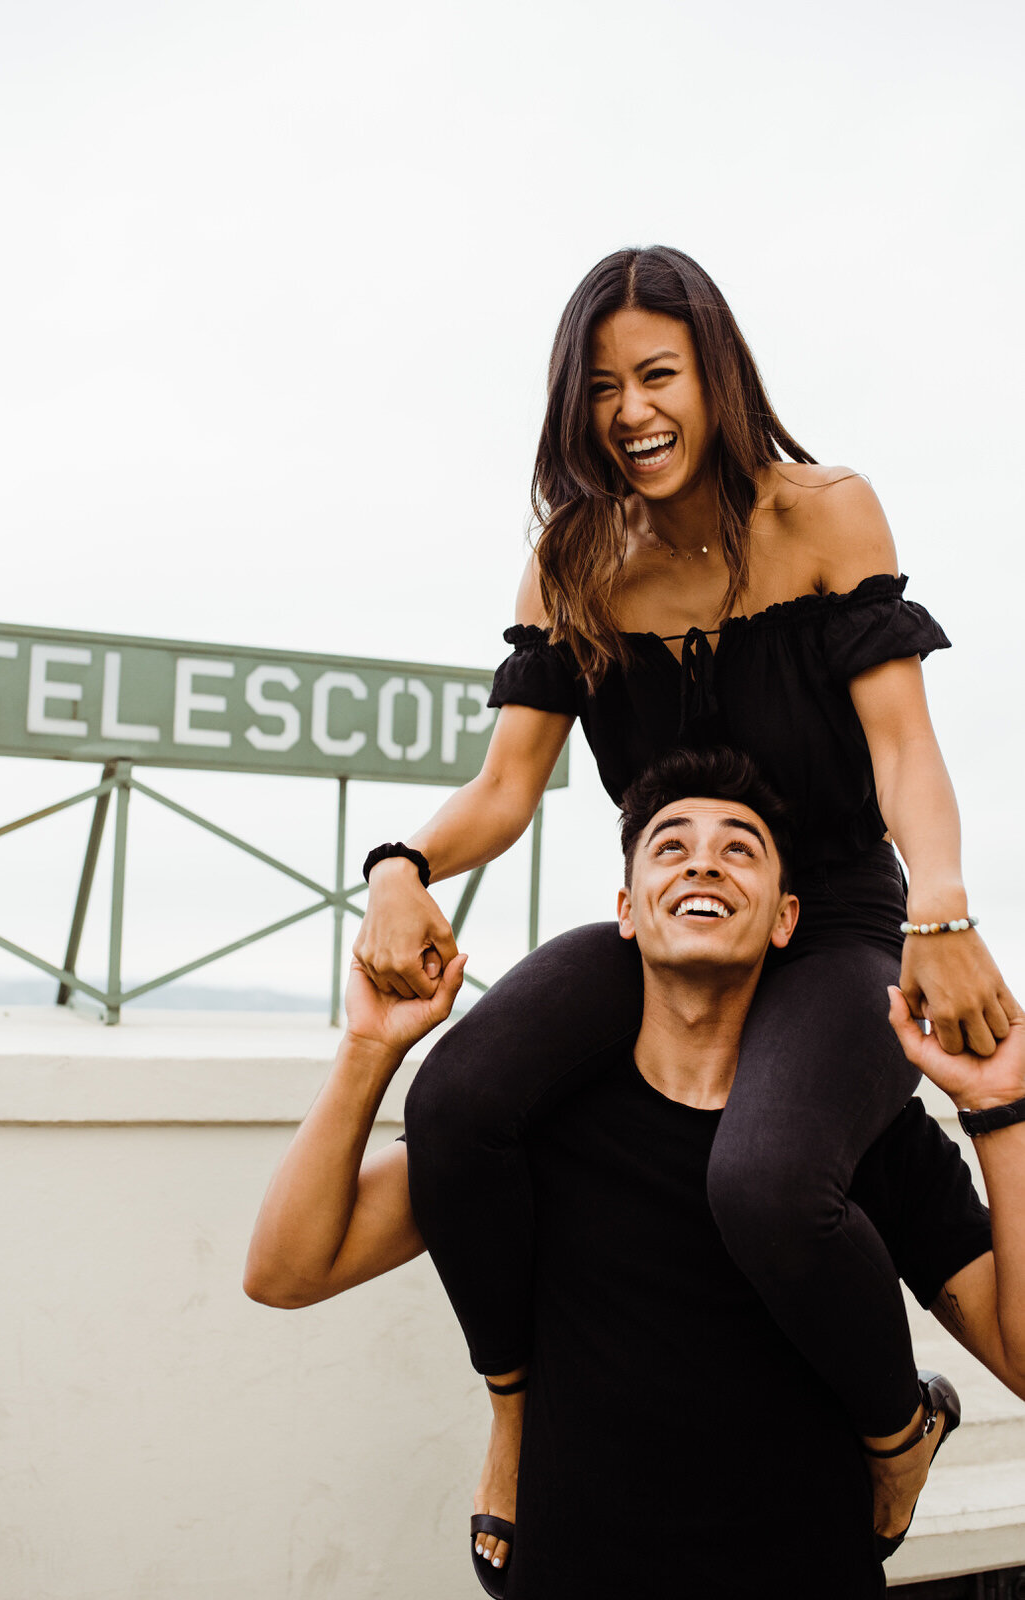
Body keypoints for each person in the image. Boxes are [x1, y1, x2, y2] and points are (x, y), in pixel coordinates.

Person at [351, 246, 1013, 1543]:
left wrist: (941, 909)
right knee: (460, 1102)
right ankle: (515, 1405)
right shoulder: (573, 562)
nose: (632, 411)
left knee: (765, 1179)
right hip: (663, 916)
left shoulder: (826, 515)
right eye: (601, 388)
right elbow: (504, 787)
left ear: (716, 374)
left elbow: (903, 752)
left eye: (658, 374)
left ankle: (899, 1424)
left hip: (831, 918)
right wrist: (399, 868)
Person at [246, 748, 1025, 1599]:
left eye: (740, 848)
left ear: (785, 918)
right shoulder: (543, 1122)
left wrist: (1000, 1112)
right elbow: (289, 1271)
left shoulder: (854, 1138)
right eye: (669, 845)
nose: (702, 860)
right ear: (627, 908)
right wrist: (369, 1049)